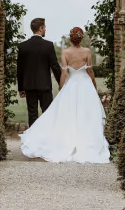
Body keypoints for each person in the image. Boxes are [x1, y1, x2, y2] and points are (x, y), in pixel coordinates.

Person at [19, 27, 110, 163]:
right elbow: (90, 72)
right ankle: (86, 141)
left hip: (71, 86)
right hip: (86, 86)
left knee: (68, 115)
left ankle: (67, 140)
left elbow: (64, 74)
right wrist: (94, 86)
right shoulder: (87, 52)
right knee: (87, 114)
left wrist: (62, 89)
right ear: (81, 37)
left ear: (70, 38)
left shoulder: (65, 52)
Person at [17, 18, 62, 128]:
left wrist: (21, 88)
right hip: (44, 85)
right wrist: (62, 82)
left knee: (32, 115)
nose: (45, 29)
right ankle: (47, 139)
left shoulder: (23, 46)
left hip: (29, 86)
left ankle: (33, 140)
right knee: (47, 113)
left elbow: (20, 69)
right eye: (44, 27)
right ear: (41, 28)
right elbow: (55, 66)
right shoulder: (48, 45)